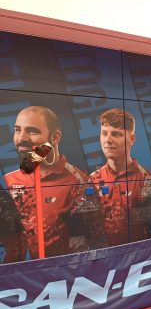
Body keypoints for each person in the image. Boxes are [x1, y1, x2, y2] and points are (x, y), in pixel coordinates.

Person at [5, 106, 102, 259]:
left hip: (58, 277)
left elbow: (94, 242)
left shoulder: (78, 183)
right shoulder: (9, 180)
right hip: (17, 277)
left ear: (55, 138)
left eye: (32, 131)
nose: (21, 138)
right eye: (17, 130)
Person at [90, 108, 151, 246]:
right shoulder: (91, 181)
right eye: (104, 133)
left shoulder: (147, 181)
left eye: (116, 134)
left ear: (132, 139)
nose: (108, 140)